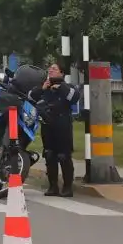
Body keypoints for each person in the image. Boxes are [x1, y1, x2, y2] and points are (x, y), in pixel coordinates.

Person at [34, 62, 81, 197]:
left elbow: (74, 97)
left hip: (62, 125)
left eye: (54, 69)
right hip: (47, 125)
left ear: (62, 73)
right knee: (49, 155)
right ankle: (52, 186)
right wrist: (42, 88)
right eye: (50, 69)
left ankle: (67, 187)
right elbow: (31, 97)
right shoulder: (45, 87)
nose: (51, 70)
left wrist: (60, 87)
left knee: (64, 156)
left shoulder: (67, 87)